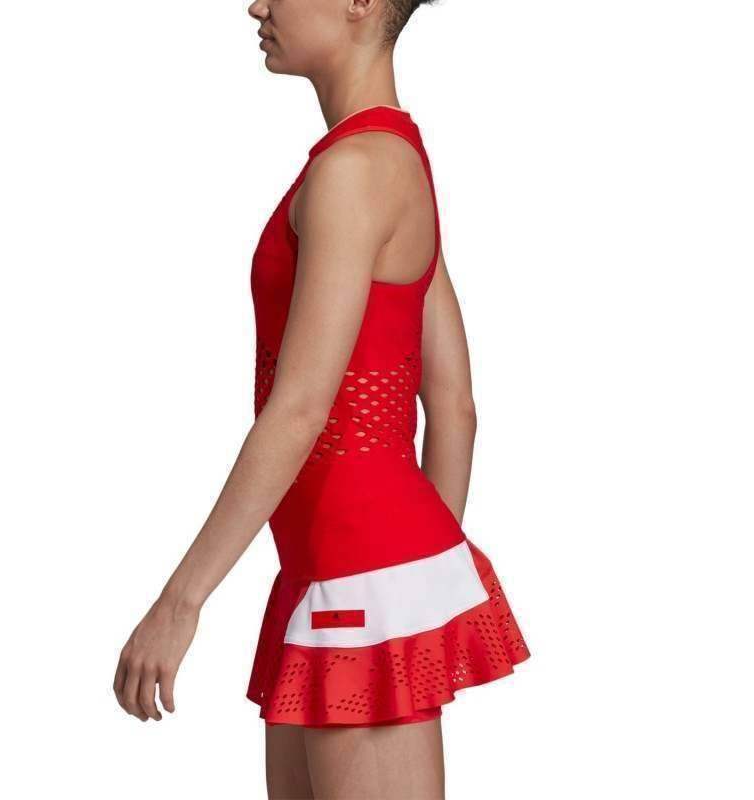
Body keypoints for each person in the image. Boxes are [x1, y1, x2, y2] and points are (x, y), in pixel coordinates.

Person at [113, 1, 530, 796]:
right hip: (337, 577)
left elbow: (302, 407)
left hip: (354, 579)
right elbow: (455, 403)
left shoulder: (355, 172)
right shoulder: (390, 159)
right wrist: (417, 588)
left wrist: (180, 601)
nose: (258, 5)